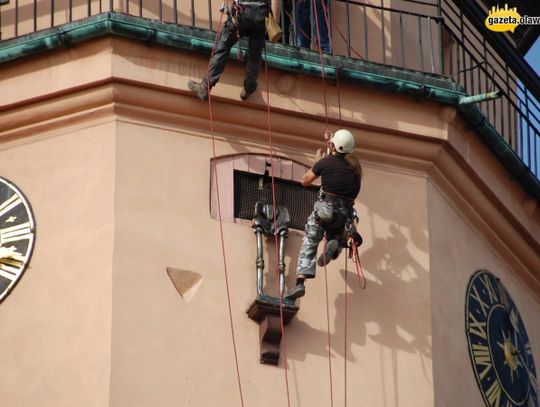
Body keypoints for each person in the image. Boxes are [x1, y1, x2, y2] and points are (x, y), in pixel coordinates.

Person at [285, 129, 362, 300]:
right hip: (344, 215)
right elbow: (339, 158)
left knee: (310, 241)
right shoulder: (356, 171)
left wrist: (316, 163)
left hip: (324, 211)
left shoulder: (326, 163)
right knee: (337, 236)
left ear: (335, 146)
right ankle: (333, 247)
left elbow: (304, 181)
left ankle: (300, 283)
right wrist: (329, 142)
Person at [188, 0, 270, 101]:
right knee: (255, 53)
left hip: (242, 11)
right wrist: (271, 21)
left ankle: (205, 86)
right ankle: (249, 86)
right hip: (261, 13)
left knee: (224, 45)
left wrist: (231, 10)